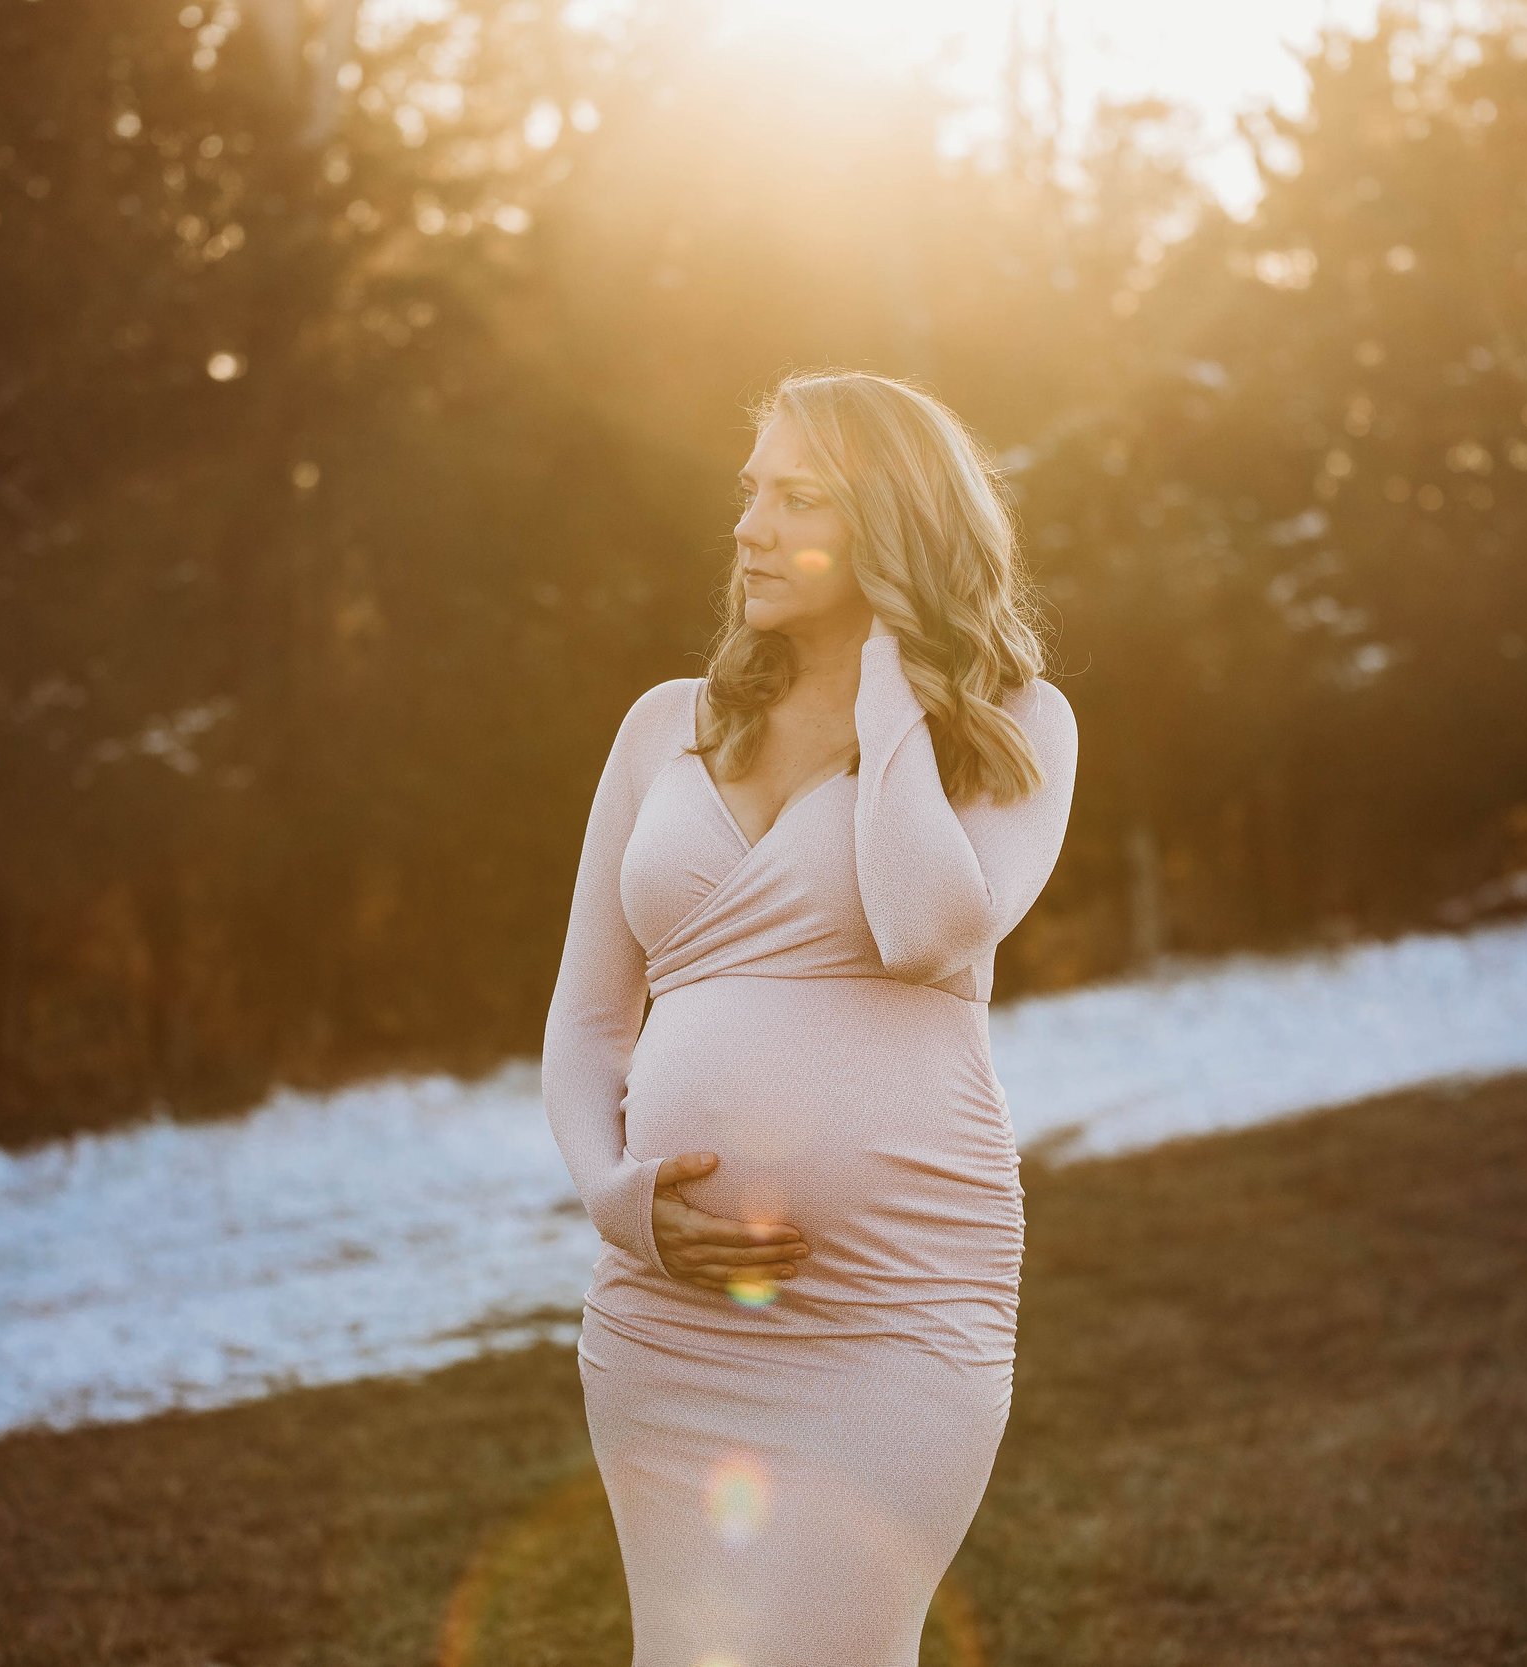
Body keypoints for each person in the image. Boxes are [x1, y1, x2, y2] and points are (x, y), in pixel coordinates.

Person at [541, 368, 1080, 1665]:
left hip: (892, 1307)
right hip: (666, 1317)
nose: (750, 530)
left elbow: (928, 929)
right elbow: (588, 1026)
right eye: (750, 494)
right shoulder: (664, 728)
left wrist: (891, 696)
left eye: (798, 499)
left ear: (891, 522)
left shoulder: (1010, 728)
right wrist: (617, 1200)